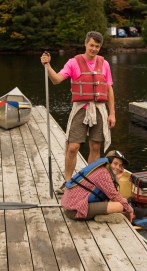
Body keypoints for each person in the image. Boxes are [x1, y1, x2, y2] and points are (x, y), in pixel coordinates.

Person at [40, 31, 116, 193]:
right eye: (91, 45)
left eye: (97, 46)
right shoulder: (73, 62)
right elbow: (57, 80)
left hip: (100, 110)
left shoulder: (105, 64)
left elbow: (109, 89)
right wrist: (47, 66)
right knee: (73, 147)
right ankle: (68, 182)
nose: (94, 49)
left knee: (95, 146)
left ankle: (88, 182)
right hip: (80, 109)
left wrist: (112, 113)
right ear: (85, 44)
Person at [61, 150, 134, 223]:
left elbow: (113, 193)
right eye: (115, 163)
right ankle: (100, 217)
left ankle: (99, 214)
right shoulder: (103, 173)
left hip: (71, 206)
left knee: (116, 201)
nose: (118, 167)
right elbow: (114, 196)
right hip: (74, 211)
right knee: (119, 206)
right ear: (108, 161)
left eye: (120, 166)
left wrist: (117, 177)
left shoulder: (102, 170)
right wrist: (130, 210)